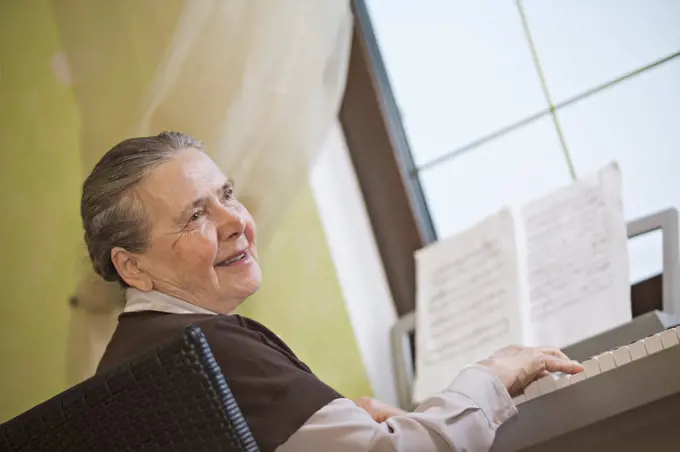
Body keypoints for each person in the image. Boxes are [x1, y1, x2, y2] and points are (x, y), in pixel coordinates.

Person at [85, 132, 583, 452]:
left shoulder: (122, 367)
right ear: (132, 267)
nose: (235, 221)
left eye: (228, 195)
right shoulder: (210, 350)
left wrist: (329, 430)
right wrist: (492, 375)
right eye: (196, 215)